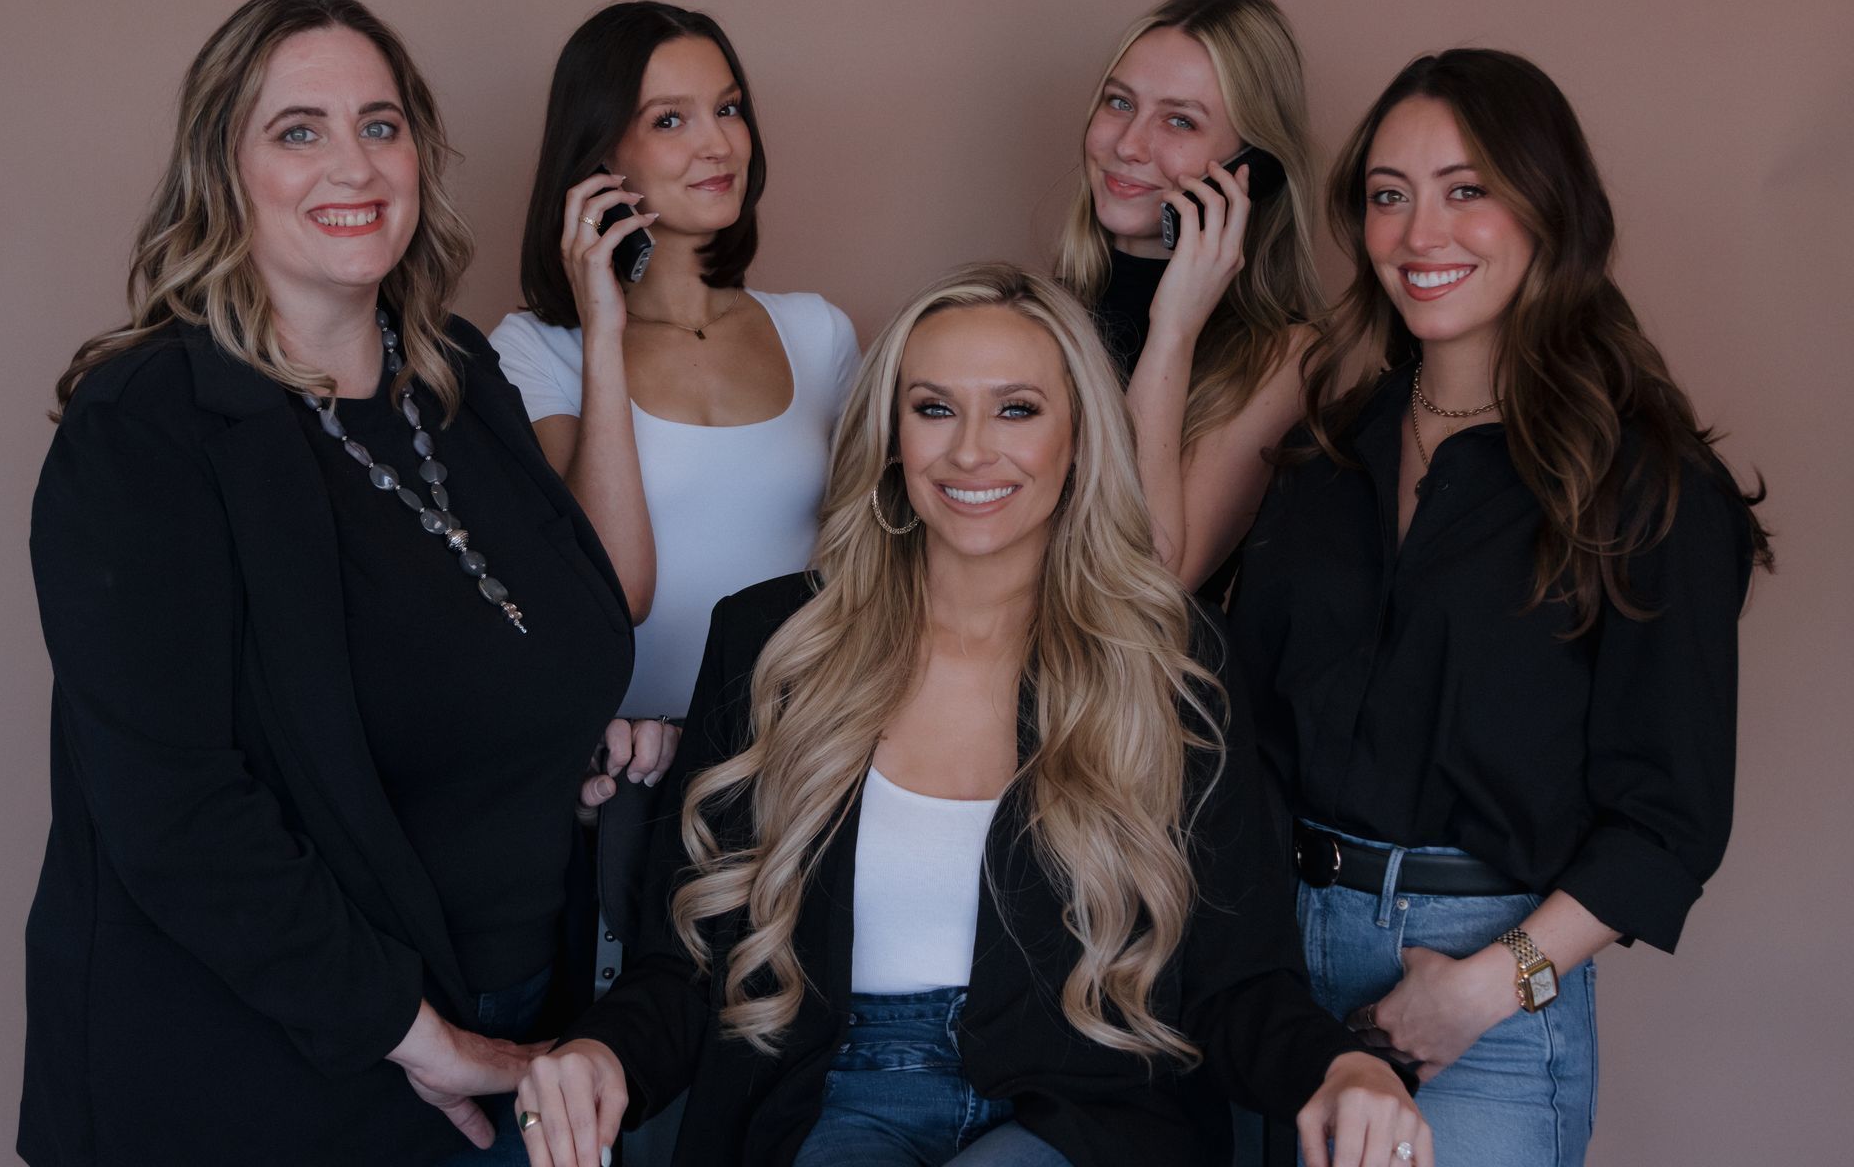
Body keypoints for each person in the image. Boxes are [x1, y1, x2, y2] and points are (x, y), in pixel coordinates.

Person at [507, 264, 1432, 1167]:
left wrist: (1343, 1067)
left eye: (1017, 409)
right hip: (834, 1091)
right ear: (891, 435)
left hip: (1084, 1105)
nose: (970, 450)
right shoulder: (770, 641)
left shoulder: (1168, 659)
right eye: (935, 408)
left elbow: (1238, 984)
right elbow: (685, 966)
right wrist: (601, 1054)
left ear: (1078, 437)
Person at [21, 0, 634, 1166]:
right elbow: (176, 810)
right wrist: (421, 1036)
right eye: (297, 130)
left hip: (522, 1037)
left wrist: (581, 741)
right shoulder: (147, 425)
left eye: (381, 124)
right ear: (224, 169)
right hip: (273, 1071)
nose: (351, 163)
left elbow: (555, 625)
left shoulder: (457, 371)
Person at [1224, 49, 1772, 1166]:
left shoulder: (1647, 482)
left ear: (1549, 206)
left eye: (1467, 189)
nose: (1422, 232)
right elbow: (1244, 729)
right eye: (1389, 195)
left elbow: (1668, 820)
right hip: (1274, 981)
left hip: (1487, 995)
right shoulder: (1328, 450)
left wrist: (1483, 989)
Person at [490, 0, 859, 769]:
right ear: (599, 155)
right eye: (669, 120)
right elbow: (609, 591)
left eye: (728, 109)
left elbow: (870, 577)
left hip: (792, 759)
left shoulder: (819, 333)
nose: (718, 143)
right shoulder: (533, 349)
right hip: (619, 764)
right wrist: (601, 330)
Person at [1053, 0, 1323, 597]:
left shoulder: (1284, 356)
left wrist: (1172, 329)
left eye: (1180, 120)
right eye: (1119, 103)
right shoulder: (1034, 314)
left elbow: (1149, 575)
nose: (1128, 145)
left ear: (1253, 169)